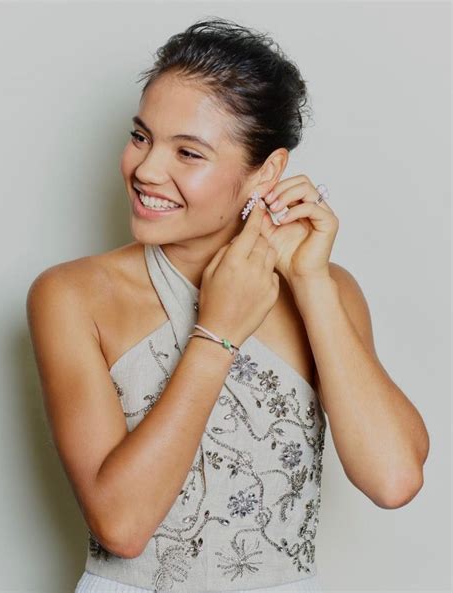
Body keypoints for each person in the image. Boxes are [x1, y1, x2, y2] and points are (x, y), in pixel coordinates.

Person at [26, 16, 429, 593]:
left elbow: (393, 480)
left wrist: (311, 282)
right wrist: (217, 332)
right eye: (141, 136)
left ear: (267, 172)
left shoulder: (326, 289)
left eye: (188, 153)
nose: (146, 169)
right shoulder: (72, 295)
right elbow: (121, 526)